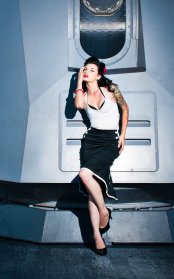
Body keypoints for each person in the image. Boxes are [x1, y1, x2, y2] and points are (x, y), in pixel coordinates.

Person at [74, 57, 129, 256]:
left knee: (85, 175)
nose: (87, 71)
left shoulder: (112, 89)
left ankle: (104, 212)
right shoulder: (81, 93)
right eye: (85, 69)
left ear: (99, 74)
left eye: (91, 69)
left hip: (109, 141)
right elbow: (79, 106)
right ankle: (98, 236)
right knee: (91, 189)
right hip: (90, 141)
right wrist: (79, 82)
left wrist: (122, 134)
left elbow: (125, 108)